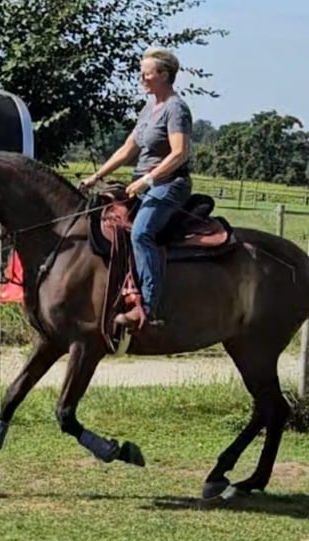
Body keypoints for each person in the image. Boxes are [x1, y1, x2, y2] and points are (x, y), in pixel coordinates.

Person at [81, 47, 193, 330]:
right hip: (143, 183)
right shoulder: (149, 108)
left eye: (147, 72)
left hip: (169, 184)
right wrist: (96, 176)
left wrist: (147, 180)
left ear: (164, 75)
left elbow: (179, 153)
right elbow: (127, 148)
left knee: (142, 232)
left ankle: (147, 306)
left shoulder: (175, 108)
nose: (141, 77)